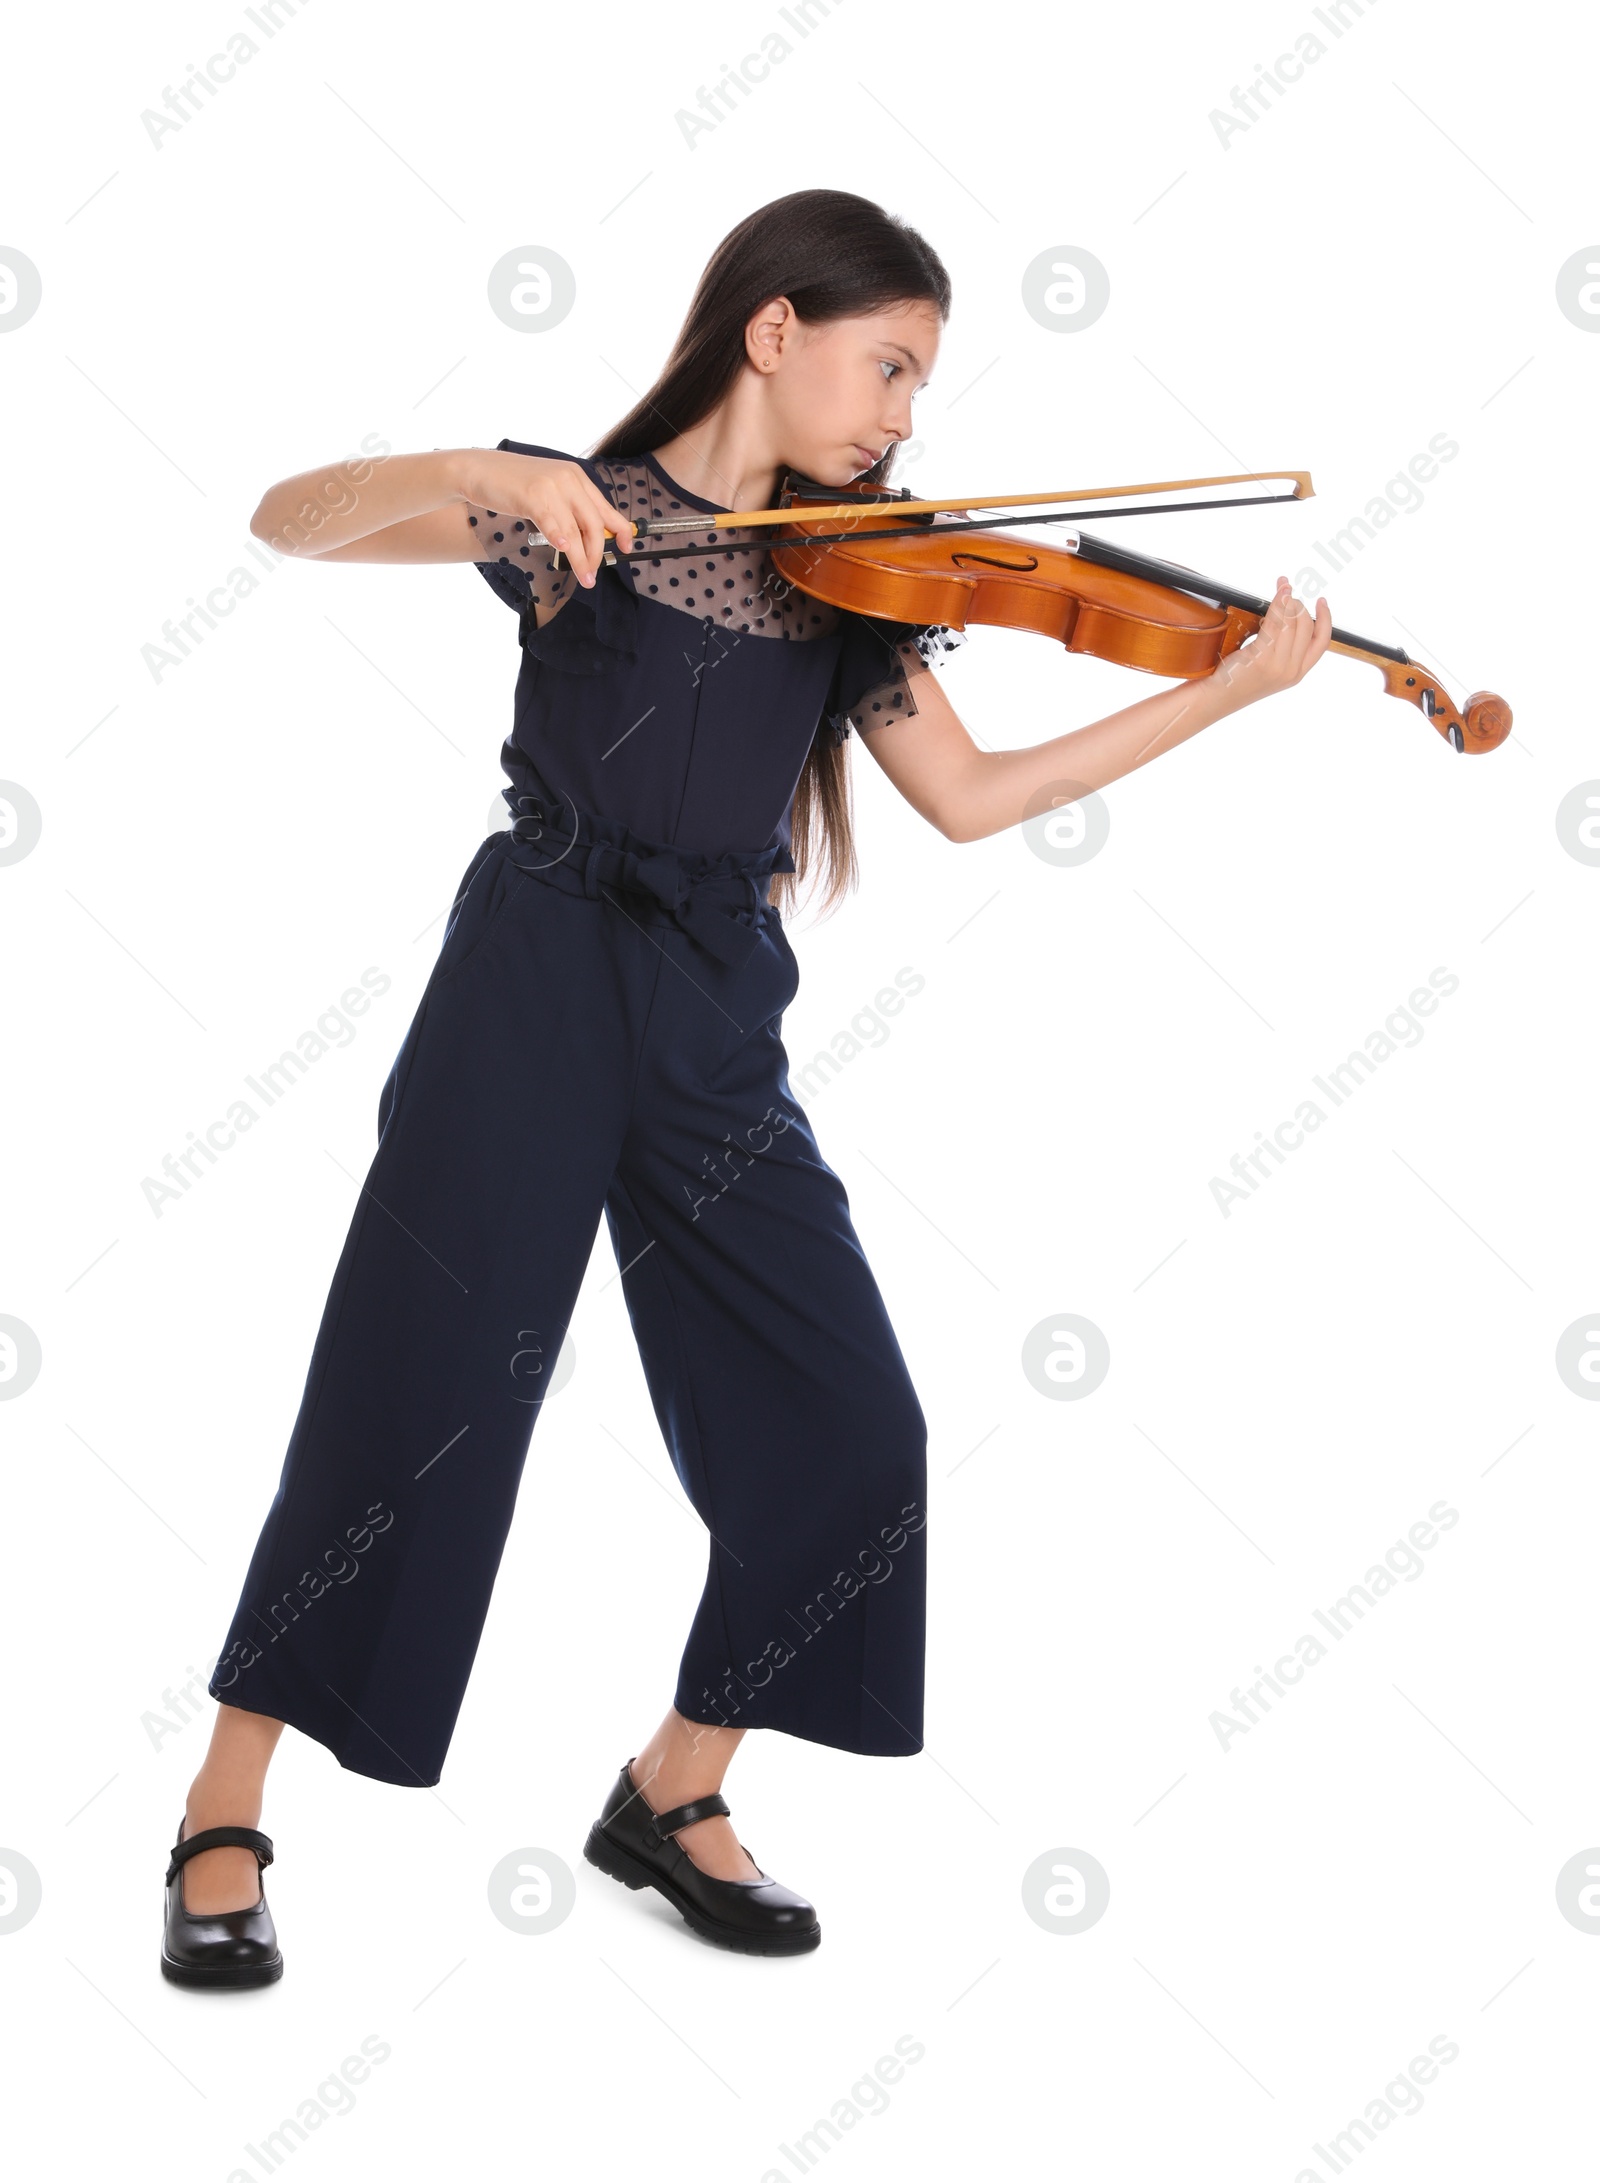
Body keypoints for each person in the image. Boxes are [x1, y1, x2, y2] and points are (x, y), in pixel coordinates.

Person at [159, 186, 1332, 1986]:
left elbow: (977, 796)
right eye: (891, 366)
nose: (905, 419)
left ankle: (672, 1786)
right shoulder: (579, 514)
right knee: (419, 1382)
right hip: (534, 977)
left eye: (923, 384)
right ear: (773, 332)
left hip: (715, 1008)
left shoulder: (850, 579)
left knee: (855, 1432)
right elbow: (287, 523)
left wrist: (1229, 695)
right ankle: (225, 1804)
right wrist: (485, 458)